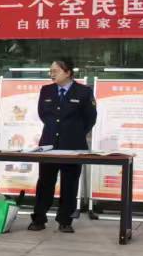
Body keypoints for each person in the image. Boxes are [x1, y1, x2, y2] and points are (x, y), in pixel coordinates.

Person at [30, 56, 97, 233]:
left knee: (70, 183)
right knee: (45, 182)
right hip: (48, 145)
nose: (51, 74)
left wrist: (74, 132)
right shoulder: (46, 90)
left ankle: (65, 220)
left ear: (68, 72)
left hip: (73, 145)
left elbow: (90, 119)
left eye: (55, 71)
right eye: (50, 71)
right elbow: (43, 114)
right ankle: (39, 219)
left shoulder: (83, 92)